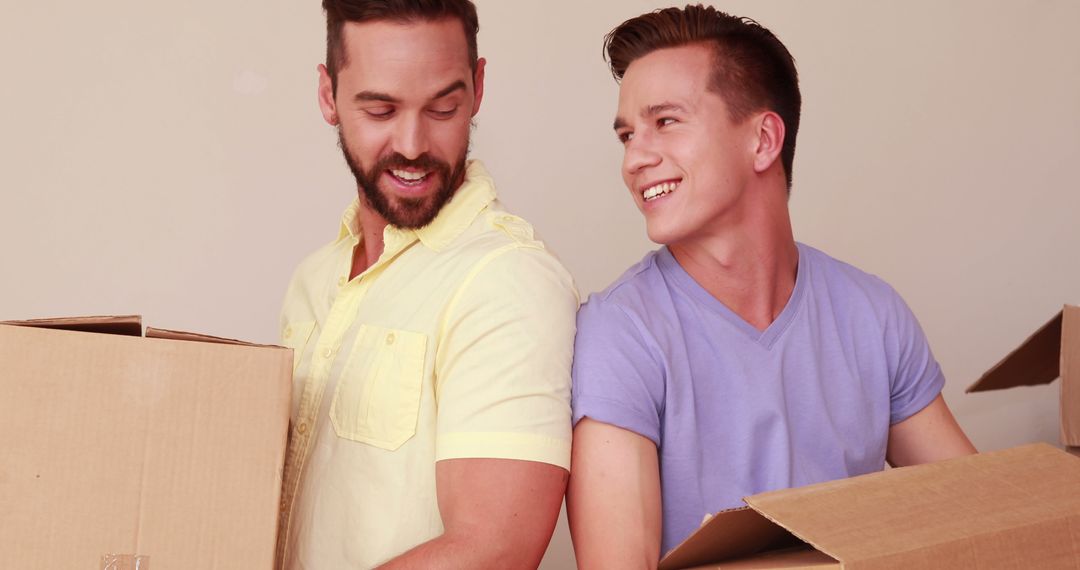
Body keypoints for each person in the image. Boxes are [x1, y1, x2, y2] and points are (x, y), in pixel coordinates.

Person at [566, 5, 977, 567]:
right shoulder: (622, 332)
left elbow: (982, 514)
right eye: (627, 135)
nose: (635, 158)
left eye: (666, 122)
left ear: (763, 140)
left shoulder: (871, 314)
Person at [276, 1, 577, 568]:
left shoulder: (507, 280)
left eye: (442, 108)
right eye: (381, 110)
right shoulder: (313, 279)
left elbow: (494, 549)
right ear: (328, 95)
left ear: (478, 88)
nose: (412, 144)